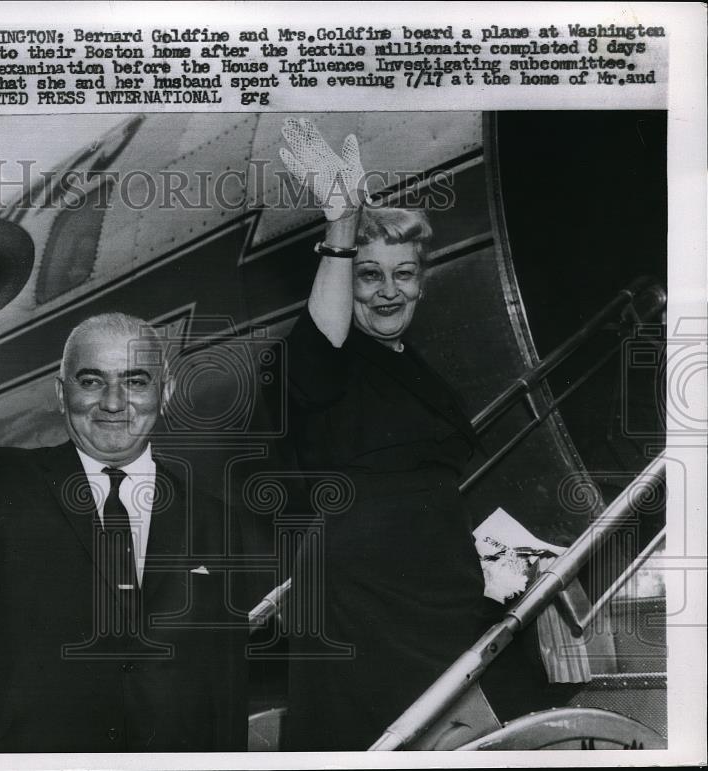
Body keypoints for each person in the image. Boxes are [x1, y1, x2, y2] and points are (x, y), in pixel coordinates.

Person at [0, 311, 248, 752]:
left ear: (167, 392)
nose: (114, 403)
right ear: (62, 394)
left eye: (136, 381)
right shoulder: (0, 482)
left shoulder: (217, 523)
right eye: (92, 381)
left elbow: (225, 685)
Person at [277, 118, 522, 750]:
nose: (389, 291)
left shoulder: (414, 367)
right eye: (368, 275)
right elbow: (322, 336)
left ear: (423, 279)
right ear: (343, 282)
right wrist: (340, 224)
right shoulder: (331, 355)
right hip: (365, 597)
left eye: (404, 274)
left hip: (438, 587)